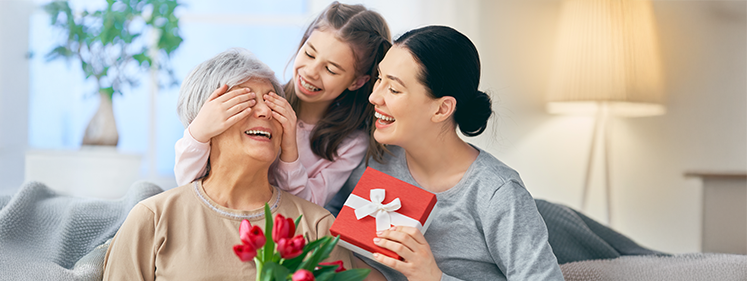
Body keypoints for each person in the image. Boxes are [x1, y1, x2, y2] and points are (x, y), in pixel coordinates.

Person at [102, 49, 381, 280]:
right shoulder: (153, 218)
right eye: (244, 101)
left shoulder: (315, 225)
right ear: (206, 119)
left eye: (272, 103)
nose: (263, 111)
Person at [331, 26, 565, 280]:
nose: (375, 97)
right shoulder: (375, 158)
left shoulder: (495, 192)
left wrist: (433, 277)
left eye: (394, 89)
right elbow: (323, 221)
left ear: (442, 109)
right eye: (379, 78)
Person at [173, 1, 391, 207]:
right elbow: (190, 184)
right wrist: (199, 132)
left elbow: (307, 208)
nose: (310, 72)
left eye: (331, 69)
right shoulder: (262, 103)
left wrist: (289, 151)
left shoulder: (350, 143)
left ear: (357, 82)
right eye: (309, 53)